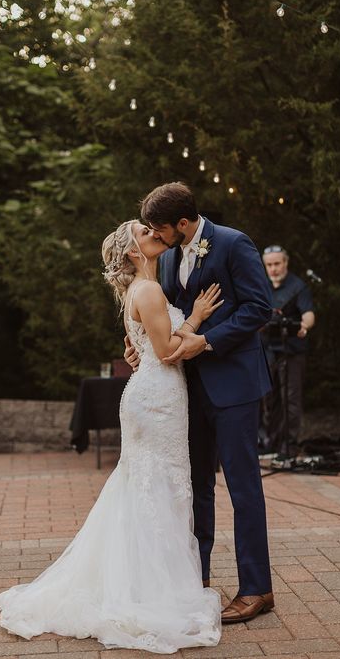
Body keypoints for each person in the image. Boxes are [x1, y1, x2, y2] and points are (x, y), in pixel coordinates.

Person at [0, 218, 222, 654]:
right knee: (160, 485)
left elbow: (145, 347)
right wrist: (197, 318)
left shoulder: (144, 287)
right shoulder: (148, 290)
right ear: (135, 251)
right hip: (157, 399)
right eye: (145, 232)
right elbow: (169, 353)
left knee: (148, 486)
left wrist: (151, 342)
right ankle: (153, 591)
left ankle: (143, 581)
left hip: (154, 397)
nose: (155, 232)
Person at [125, 181, 275, 624]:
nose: (155, 235)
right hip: (186, 391)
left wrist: (206, 341)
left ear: (184, 224)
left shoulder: (232, 244)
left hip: (234, 388)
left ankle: (256, 589)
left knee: (244, 488)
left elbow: (258, 308)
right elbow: (162, 318)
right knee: (197, 489)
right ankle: (197, 579)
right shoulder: (167, 256)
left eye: (160, 228)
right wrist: (139, 346)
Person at [260, 244, 315, 456]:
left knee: (291, 400)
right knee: (269, 399)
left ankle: (289, 445)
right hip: (267, 351)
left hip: (292, 351)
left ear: (285, 263)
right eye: (269, 265)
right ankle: (271, 443)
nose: (273, 269)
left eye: (277, 264)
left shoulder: (298, 286)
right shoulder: (261, 285)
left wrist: (304, 326)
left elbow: (308, 313)